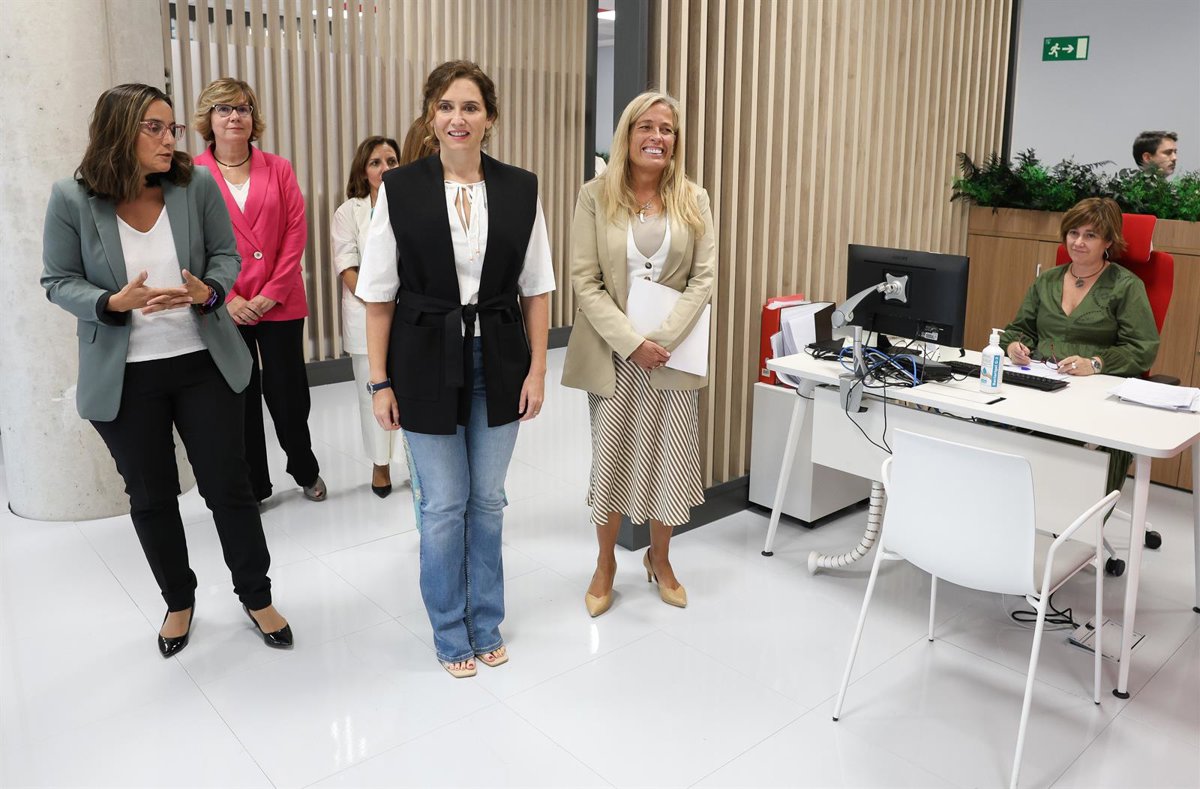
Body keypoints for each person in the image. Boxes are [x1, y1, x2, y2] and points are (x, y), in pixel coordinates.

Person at [41, 83, 293, 656]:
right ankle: (179, 601)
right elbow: (57, 281)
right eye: (153, 127)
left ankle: (257, 595)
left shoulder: (194, 185)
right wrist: (109, 302)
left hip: (203, 362)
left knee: (229, 487)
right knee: (151, 497)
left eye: (171, 127)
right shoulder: (71, 198)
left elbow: (225, 256)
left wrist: (210, 292)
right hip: (126, 376)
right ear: (118, 132)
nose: (168, 139)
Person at [356, 60, 554, 678]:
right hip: (421, 358)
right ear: (430, 116)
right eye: (445, 106)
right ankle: (449, 627)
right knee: (444, 503)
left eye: (470, 107)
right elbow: (378, 295)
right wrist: (380, 382)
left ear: (489, 117)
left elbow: (537, 288)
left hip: (499, 355)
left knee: (487, 500)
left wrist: (537, 370)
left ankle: (485, 619)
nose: (457, 118)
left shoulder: (521, 188)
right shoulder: (400, 188)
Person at [561, 91, 717, 617]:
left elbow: (703, 279)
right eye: (646, 126)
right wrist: (632, 343)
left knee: (669, 459)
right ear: (627, 134)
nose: (657, 137)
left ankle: (660, 558)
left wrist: (663, 341)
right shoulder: (594, 196)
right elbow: (584, 280)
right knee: (613, 458)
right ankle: (605, 562)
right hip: (614, 356)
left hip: (673, 356)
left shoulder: (694, 199)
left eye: (667, 129)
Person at [192, 78, 325, 504]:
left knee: (289, 394)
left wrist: (273, 290)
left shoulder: (279, 168)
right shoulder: (192, 175)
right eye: (224, 109)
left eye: (243, 108)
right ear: (209, 118)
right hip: (227, 305)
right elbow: (193, 245)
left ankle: (304, 467)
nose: (235, 116)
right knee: (241, 396)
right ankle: (255, 484)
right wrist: (228, 299)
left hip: (280, 300)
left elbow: (295, 231)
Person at [1000, 196, 1160, 493]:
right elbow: (1019, 329)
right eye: (1073, 233)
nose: (1078, 242)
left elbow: (1142, 348)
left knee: (1059, 456)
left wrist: (1096, 364)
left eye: (1090, 235)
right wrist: (1014, 347)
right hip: (1041, 386)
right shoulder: (1046, 281)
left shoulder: (1126, 286)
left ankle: (1076, 508)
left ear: (1108, 241)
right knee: (991, 426)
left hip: (1095, 394)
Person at [331, 135, 412, 497]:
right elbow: (347, 267)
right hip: (366, 313)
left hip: (409, 315)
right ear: (363, 171)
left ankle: (415, 464)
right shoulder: (349, 212)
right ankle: (380, 465)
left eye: (392, 161)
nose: (385, 168)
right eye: (375, 162)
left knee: (411, 392)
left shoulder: (413, 204)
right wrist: (379, 301)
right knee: (373, 394)